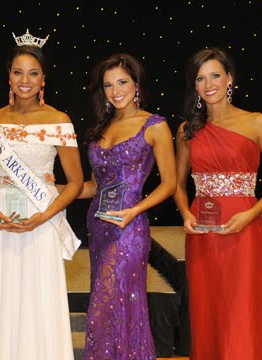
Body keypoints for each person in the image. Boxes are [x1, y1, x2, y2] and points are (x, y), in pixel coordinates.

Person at [0, 29, 84, 360]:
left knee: (40, 294)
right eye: (18, 72)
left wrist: (44, 217)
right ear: (8, 75)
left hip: (42, 216)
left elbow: (76, 182)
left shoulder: (58, 120)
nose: (25, 80)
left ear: (43, 78)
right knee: (4, 294)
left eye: (33, 73)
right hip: (2, 217)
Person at [174, 47, 262, 359]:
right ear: (194, 86)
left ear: (229, 79)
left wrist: (250, 214)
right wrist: (184, 213)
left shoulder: (258, 122)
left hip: (243, 228)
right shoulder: (186, 131)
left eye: (215, 75)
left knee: (241, 309)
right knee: (208, 310)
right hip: (202, 232)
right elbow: (178, 186)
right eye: (200, 78)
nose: (208, 83)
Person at [74, 53, 176, 359]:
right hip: (99, 226)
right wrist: (51, 189)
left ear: (136, 84)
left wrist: (135, 210)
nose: (116, 90)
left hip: (129, 227)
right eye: (108, 85)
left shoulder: (154, 125)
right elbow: (93, 187)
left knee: (106, 305)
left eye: (122, 82)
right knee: (108, 303)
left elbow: (169, 183)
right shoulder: (100, 127)